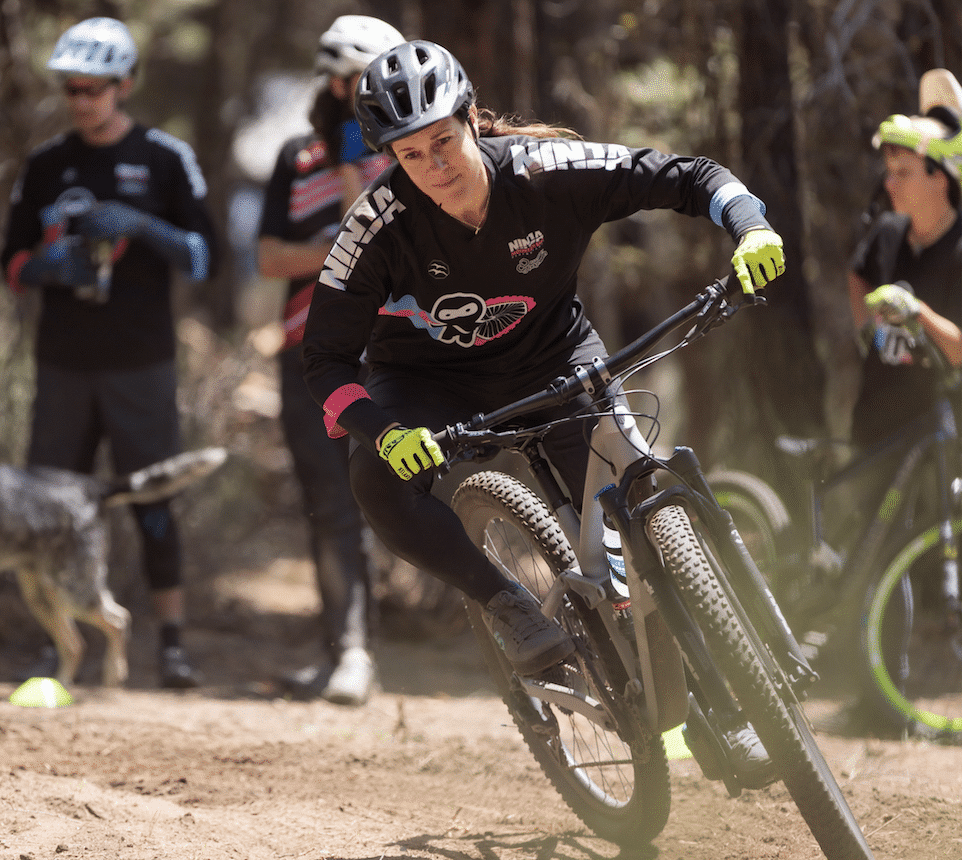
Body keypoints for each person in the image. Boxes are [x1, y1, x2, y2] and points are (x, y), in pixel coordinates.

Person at [300, 39, 784, 774]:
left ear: (471, 119)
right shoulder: (377, 224)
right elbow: (325, 362)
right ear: (390, 160)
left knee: (639, 522)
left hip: (555, 360)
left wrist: (751, 226)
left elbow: (691, 175)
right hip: (430, 383)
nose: (435, 166)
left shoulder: (545, 170)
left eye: (443, 140)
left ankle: (723, 711)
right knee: (373, 475)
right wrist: (384, 431)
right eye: (411, 155)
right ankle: (508, 607)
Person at [1, 17, 217, 688]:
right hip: (63, 363)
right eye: (71, 88)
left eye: (93, 88)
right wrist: (45, 267)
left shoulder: (165, 157)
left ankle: (172, 646)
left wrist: (144, 225)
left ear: (125, 85)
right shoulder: (46, 165)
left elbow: (203, 256)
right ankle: (54, 649)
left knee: (152, 502)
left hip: (140, 363)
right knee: (44, 507)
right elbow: (10, 262)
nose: (81, 100)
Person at [257, 15, 402, 705]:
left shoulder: (411, 153)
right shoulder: (297, 157)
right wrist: (339, 246)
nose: (358, 94)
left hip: (392, 353)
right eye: (350, 82)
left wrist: (358, 173)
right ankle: (347, 652)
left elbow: (384, 245)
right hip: (308, 353)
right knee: (329, 504)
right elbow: (269, 257)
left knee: (395, 496)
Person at [838, 70, 962, 736]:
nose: (890, 183)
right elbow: (857, 272)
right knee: (876, 554)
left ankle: (897, 698)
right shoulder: (888, 233)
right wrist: (868, 326)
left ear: (941, 177)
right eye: (888, 170)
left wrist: (919, 313)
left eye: (904, 171)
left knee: (916, 555)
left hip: (937, 431)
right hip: (876, 421)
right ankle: (878, 702)